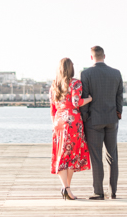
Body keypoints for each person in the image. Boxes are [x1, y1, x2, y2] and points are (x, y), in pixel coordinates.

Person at [80, 45, 123, 200]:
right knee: (113, 156)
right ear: (104, 56)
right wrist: (118, 114)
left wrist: (85, 118)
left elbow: (84, 98)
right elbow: (119, 97)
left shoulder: (86, 74)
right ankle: (113, 192)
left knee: (96, 157)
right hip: (112, 119)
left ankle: (98, 192)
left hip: (93, 120)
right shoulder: (116, 73)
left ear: (92, 57)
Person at [50, 57, 92, 200]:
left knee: (61, 154)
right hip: (72, 122)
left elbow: (52, 109)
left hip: (58, 122)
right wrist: (89, 99)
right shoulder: (75, 83)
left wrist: (55, 125)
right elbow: (76, 102)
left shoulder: (54, 85)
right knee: (72, 155)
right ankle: (66, 188)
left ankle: (65, 187)